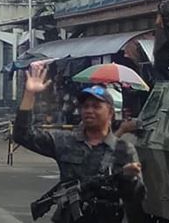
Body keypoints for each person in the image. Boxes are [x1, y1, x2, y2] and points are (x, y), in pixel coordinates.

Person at [13, 63, 145, 223]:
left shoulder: (123, 149)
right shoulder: (65, 141)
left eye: (96, 106)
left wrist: (129, 179)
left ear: (110, 113)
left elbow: (137, 198)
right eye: (85, 106)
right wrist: (30, 94)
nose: (89, 110)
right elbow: (22, 135)